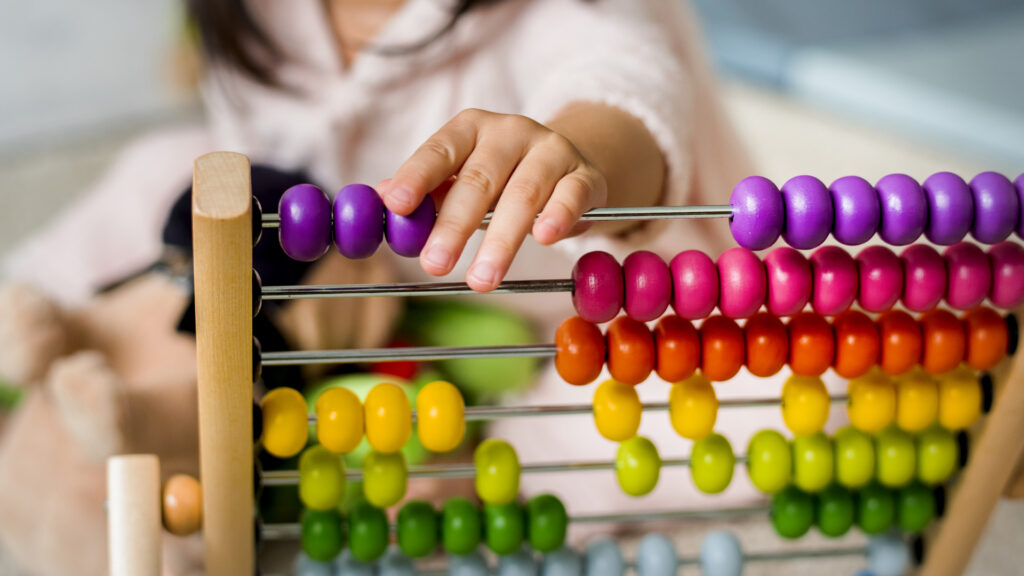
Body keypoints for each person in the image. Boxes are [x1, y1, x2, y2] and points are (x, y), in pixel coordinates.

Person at [4, 0, 763, 536]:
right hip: (336, 287)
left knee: (761, 386)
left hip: (594, 314)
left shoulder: (551, 16)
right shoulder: (253, 18)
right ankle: (29, 312)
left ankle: (509, 462)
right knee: (167, 169)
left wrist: (581, 156)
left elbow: (623, 76)